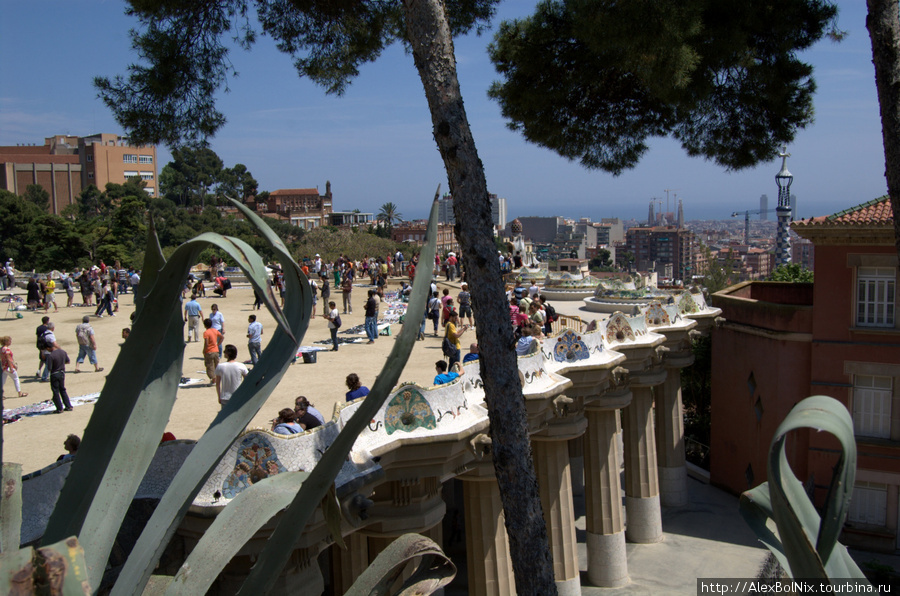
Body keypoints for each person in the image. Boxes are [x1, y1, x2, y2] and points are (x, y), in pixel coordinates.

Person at [46, 344, 73, 413]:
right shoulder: (62, 352)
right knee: (63, 389)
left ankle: (59, 408)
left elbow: (49, 368)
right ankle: (68, 406)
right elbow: (67, 361)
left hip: (54, 374)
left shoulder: (51, 356)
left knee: (55, 391)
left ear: (48, 348)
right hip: (62, 373)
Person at [202, 319, 222, 384]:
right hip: (216, 350)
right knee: (216, 365)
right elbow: (222, 337)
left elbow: (206, 343)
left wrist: (204, 351)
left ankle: (213, 379)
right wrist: (218, 344)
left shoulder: (206, 332)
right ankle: (218, 378)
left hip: (209, 351)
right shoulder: (215, 330)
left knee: (209, 366)